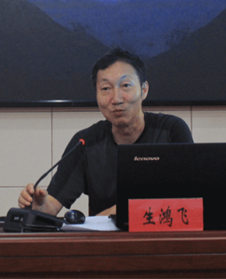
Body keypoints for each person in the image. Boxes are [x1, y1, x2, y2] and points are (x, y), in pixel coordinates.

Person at [18, 48, 193, 216]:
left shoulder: (171, 131)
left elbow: (190, 199)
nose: (116, 99)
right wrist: (39, 206)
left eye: (126, 85)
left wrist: (119, 211)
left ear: (144, 90)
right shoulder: (85, 141)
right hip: (104, 237)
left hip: (161, 234)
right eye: (106, 89)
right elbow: (52, 205)